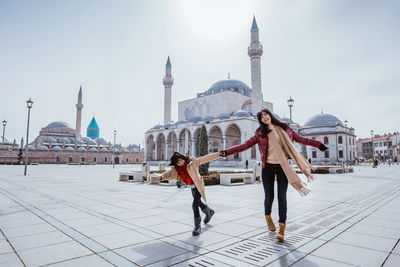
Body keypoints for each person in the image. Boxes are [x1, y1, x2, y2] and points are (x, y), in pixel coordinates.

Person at [220, 108, 327, 242]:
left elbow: (301, 139)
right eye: (262, 117)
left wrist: (318, 144)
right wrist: (227, 152)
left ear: (270, 115)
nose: (265, 117)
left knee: (282, 197)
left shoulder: (285, 128)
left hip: (283, 168)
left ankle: (281, 229)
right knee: (269, 197)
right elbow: (245, 145)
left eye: (266, 114)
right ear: (260, 121)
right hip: (267, 168)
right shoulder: (260, 133)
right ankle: (268, 217)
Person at [157, 151, 222, 236]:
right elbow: (169, 173)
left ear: (182, 158)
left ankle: (197, 226)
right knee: (198, 202)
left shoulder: (191, 162)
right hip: (192, 186)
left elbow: (205, 158)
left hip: (198, 185)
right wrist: (162, 177)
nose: (181, 162)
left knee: (194, 205)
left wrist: (217, 154)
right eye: (178, 162)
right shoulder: (176, 169)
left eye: (181, 160)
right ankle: (209, 211)